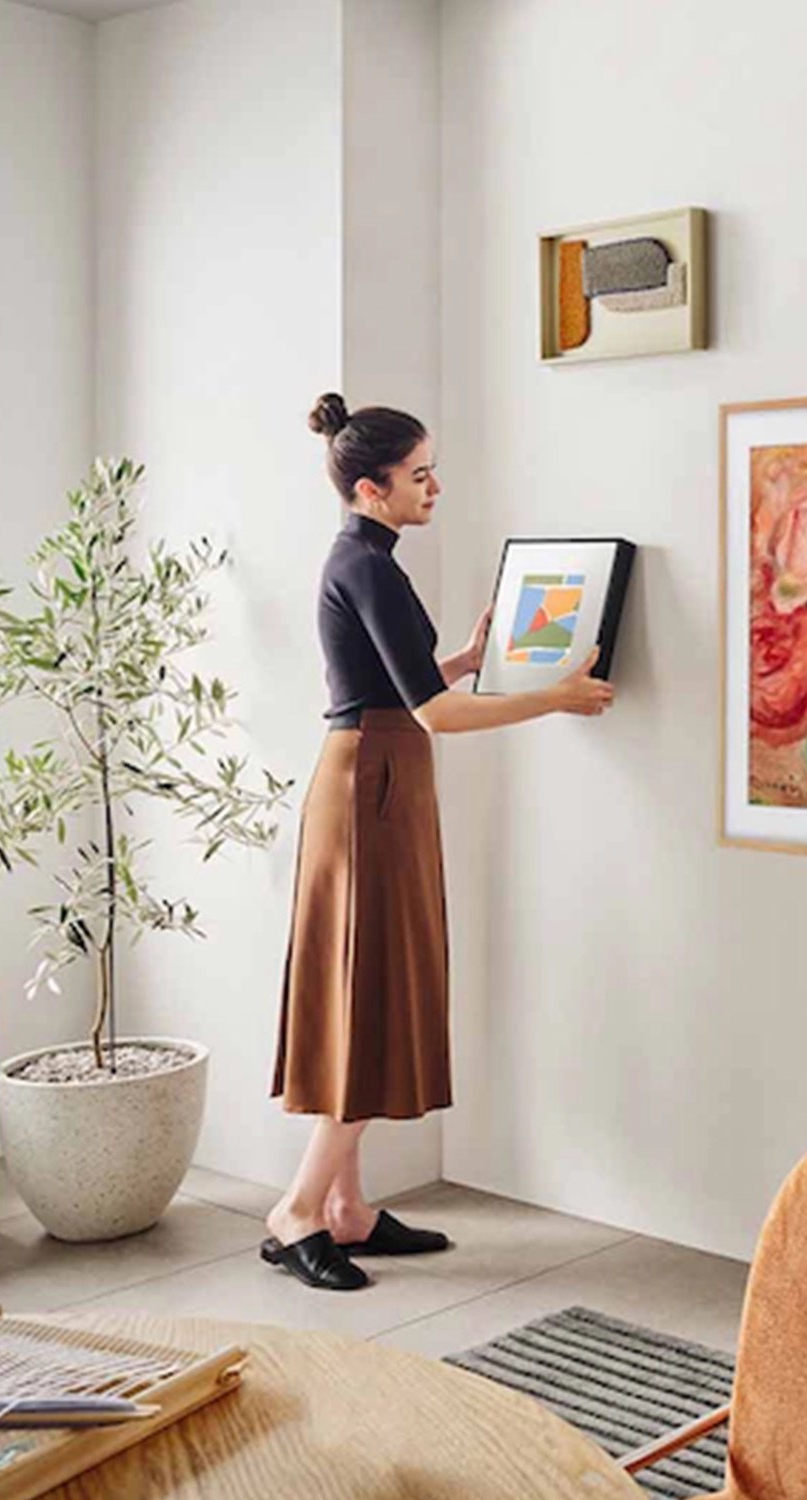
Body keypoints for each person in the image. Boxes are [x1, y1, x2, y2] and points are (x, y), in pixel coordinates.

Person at [262, 393, 614, 1291]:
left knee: (371, 992)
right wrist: (555, 697)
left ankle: (345, 1208)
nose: (436, 487)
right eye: (419, 476)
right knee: (366, 992)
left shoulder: (369, 559)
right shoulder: (367, 567)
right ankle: (301, 1211)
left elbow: (408, 681)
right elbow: (434, 713)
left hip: (377, 779)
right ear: (372, 487)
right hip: (371, 782)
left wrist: (463, 654)